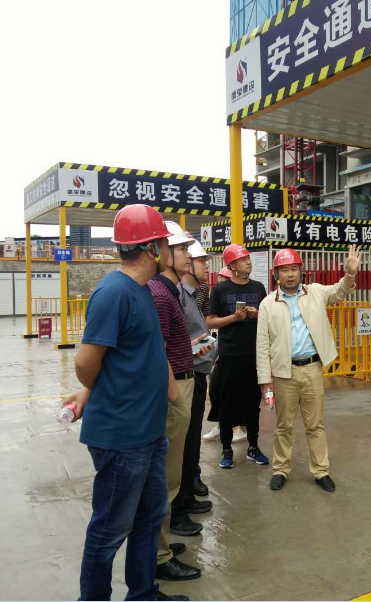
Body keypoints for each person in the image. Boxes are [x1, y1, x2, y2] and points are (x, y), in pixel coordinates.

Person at [65, 205, 188, 601]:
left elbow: (127, 357)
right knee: (109, 530)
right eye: (165, 243)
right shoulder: (114, 293)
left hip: (148, 433)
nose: (168, 249)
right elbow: (86, 362)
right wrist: (94, 389)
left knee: (150, 517)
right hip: (122, 437)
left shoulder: (141, 290)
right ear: (151, 248)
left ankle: (143, 594)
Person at [257, 246, 360, 492]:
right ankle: (280, 469)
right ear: (276, 274)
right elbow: (262, 345)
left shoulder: (316, 292)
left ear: (301, 271)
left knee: (315, 424)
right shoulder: (267, 304)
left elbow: (340, 291)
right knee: (283, 425)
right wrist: (265, 381)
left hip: (312, 368)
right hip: (284, 373)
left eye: (294, 269)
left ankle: (321, 471)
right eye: (284, 270)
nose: (290, 274)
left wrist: (350, 274)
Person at [147, 220, 205, 581]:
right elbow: (159, 353)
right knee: (166, 480)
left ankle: (163, 543)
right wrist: (174, 396)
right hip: (175, 390)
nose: (188, 254)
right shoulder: (159, 294)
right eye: (181, 248)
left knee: (171, 475)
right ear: (161, 252)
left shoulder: (170, 291)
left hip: (183, 384)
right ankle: (157, 556)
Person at [206, 244, 269, 469]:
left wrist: (257, 313)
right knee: (227, 404)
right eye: (243, 259)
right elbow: (210, 321)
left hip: (253, 354)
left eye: (248, 258)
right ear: (232, 265)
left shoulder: (258, 287)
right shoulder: (220, 290)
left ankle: (253, 447)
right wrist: (233, 318)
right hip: (229, 355)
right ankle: (226, 449)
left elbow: (268, 317)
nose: (248, 262)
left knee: (253, 404)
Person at [171, 234, 217, 528]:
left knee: (190, 443)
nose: (204, 265)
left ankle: (186, 497)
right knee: (183, 446)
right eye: (201, 261)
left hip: (197, 374)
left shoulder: (191, 295)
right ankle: (177, 508)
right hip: (185, 377)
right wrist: (192, 349)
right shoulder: (175, 295)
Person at [202, 268, 248, 445]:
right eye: (218, 283)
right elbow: (211, 321)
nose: (220, 287)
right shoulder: (219, 299)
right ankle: (221, 425)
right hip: (223, 350)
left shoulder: (243, 300)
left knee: (237, 392)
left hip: (240, 352)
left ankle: (239, 428)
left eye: (223, 282)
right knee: (216, 389)